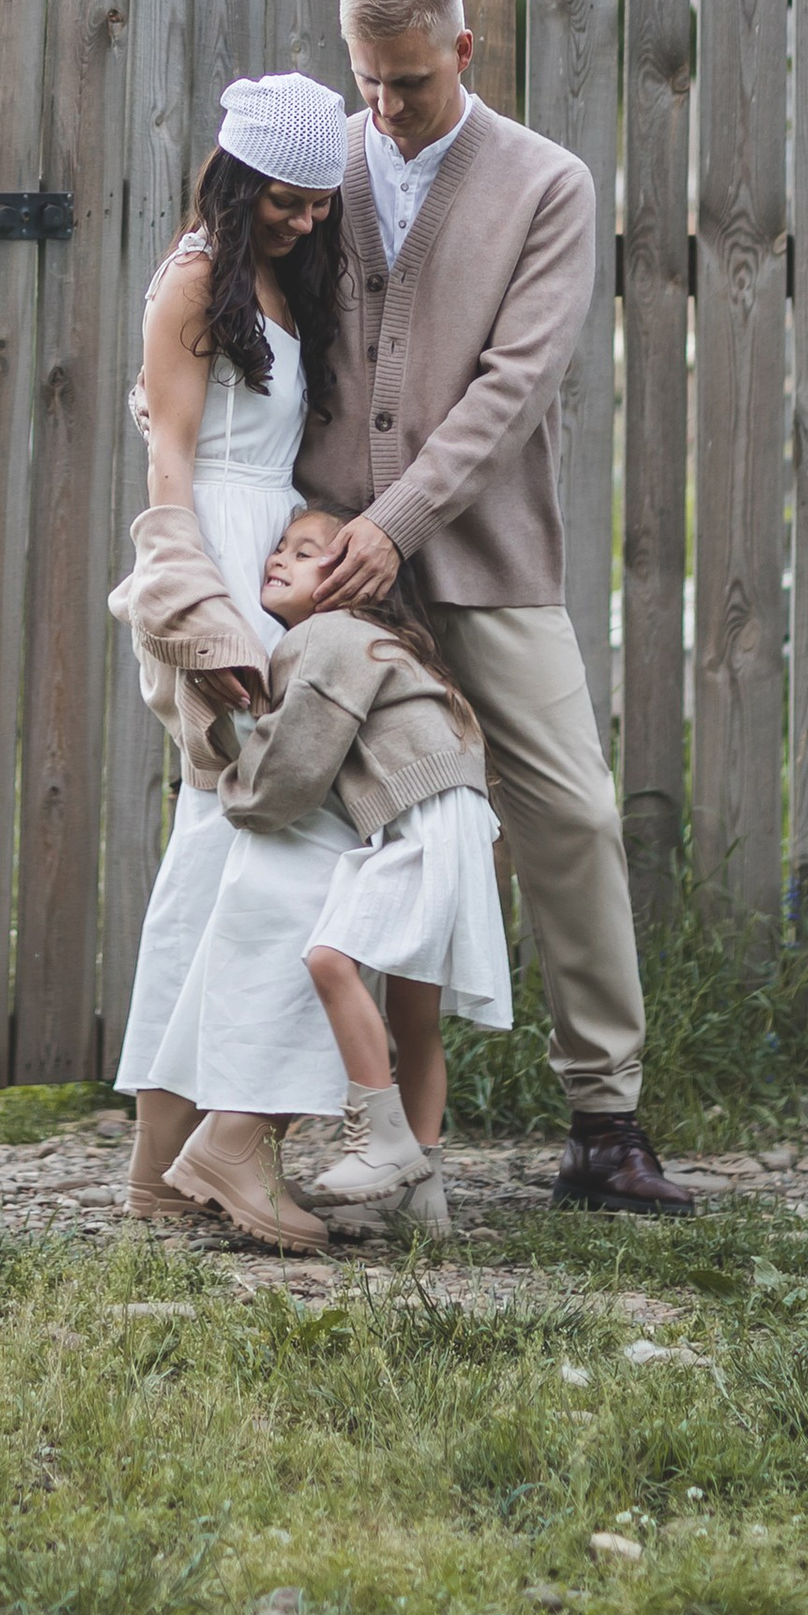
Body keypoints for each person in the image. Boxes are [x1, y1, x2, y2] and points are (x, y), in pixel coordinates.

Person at [297, 0, 695, 1217]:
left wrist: (399, 522)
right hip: (330, 563)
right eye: (367, 81)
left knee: (570, 813)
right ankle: (288, 1107)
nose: (386, 107)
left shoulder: (546, 183)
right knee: (301, 805)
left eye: (408, 81)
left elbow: (513, 387)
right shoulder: (327, 162)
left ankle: (605, 1119)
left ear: (463, 53)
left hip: (485, 553)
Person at [137, 499, 509, 1248]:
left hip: (420, 819)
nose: (279, 557)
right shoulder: (378, 642)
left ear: (355, 581)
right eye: (281, 545)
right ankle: (421, 1196)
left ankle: (378, 1143)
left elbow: (291, 772)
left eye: (307, 552)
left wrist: (231, 781)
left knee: (328, 957)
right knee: (415, 1012)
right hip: (456, 817)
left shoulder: (327, 636)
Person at [108, 67, 349, 1222]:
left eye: (319, 202)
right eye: (287, 199)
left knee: (226, 861)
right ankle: (201, 1155)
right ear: (237, 176)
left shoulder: (282, 276)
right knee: (246, 855)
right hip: (217, 565)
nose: (305, 219)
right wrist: (202, 621)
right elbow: (171, 467)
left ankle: (179, 1163)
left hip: (276, 567)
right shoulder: (197, 280)